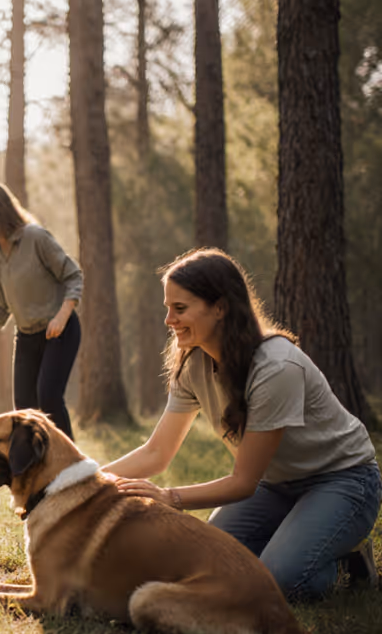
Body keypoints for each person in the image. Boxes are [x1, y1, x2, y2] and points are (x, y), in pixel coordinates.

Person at [105, 247, 380, 600]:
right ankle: (299, 535)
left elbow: (244, 481)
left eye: (180, 308)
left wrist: (168, 496)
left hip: (343, 480)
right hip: (277, 485)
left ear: (219, 308)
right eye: (167, 308)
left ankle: (347, 558)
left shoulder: (277, 367)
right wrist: (86, 481)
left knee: (278, 582)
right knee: (207, 565)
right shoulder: (193, 365)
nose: (168, 320)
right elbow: (156, 453)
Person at [0, 180, 83, 439]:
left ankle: (74, 470)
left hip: (60, 331)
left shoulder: (36, 238)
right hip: (27, 337)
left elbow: (73, 275)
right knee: (23, 411)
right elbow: (0, 310)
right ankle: (36, 472)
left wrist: (62, 315)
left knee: (49, 397)